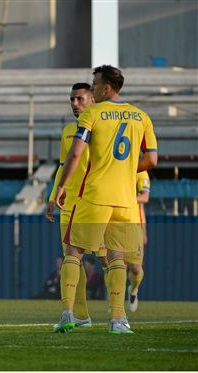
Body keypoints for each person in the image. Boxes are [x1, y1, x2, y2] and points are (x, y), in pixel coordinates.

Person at [53, 65, 158, 334]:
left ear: (107, 88)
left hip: (96, 196)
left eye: (96, 84)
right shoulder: (141, 116)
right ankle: (119, 320)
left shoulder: (92, 114)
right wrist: (123, 171)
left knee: (74, 252)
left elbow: (76, 156)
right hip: (125, 202)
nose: (93, 88)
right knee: (117, 259)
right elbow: (152, 160)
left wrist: (62, 186)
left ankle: (68, 314)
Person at [45, 83, 98, 327]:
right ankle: (81, 315)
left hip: (99, 202)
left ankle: (120, 317)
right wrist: (53, 196)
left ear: (93, 100)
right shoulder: (68, 130)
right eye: (72, 100)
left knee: (109, 260)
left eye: (80, 99)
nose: (75, 104)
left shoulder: (103, 126)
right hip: (72, 203)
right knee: (72, 258)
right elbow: (64, 166)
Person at [125, 171, 150, 312]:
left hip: (135, 224)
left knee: (135, 268)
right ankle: (114, 303)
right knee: (115, 264)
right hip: (115, 221)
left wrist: (144, 230)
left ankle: (133, 289)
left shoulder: (141, 172)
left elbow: (145, 197)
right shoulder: (116, 166)